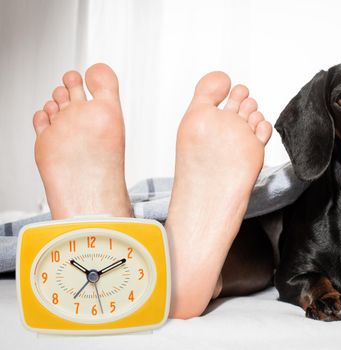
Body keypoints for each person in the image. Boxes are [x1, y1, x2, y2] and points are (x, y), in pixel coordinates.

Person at [32, 63, 273, 319]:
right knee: (265, 249)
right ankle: (172, 268)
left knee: (265, 239)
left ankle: (126, 243)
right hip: (238, 248)